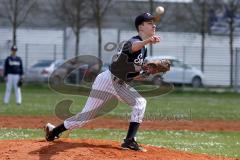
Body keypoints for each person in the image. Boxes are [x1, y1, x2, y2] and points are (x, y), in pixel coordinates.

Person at [44, 12, 160, 152]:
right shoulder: (134, 41)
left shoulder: (144, 49)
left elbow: (130, 75)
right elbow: (132, 47)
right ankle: (53, 131)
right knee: (84, 118)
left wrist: (145, 73)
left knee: (140, 103)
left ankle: (129, 140)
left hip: (120, 84)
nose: (153, 25)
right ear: (141, 27)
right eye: (149, 23)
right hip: (107, 81)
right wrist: (148, 40)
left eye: (153, 23)